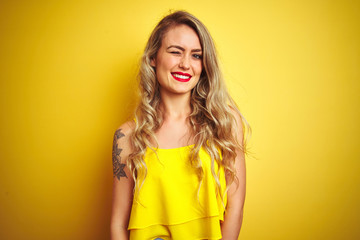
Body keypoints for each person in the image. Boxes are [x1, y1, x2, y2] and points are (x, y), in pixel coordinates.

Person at [111, 10, 250, 240]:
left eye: (196, 56)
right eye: (176, 52)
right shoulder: (126, 136)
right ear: (153, 58)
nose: (186, 64)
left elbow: (235, 207)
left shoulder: (224, 122)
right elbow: (118, 223)